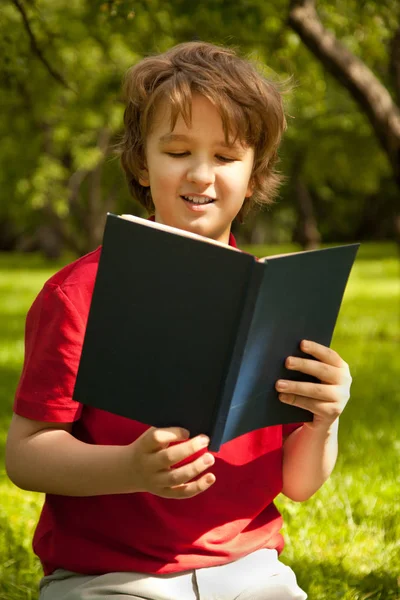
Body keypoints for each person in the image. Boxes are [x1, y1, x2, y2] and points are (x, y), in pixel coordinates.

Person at [5, 41, 352, 600]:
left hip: (248, 570)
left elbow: (300, 485)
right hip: (108, 577)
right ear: (142, 160)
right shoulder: (78, 294)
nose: (201, 175)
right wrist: (129, 469)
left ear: (254, 168)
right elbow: (26, 454)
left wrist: (325, 420)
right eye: (177, 151)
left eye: (225, 156)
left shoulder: (277, 300)